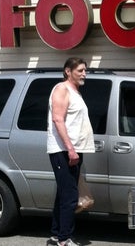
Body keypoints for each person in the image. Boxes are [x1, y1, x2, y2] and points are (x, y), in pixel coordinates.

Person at [46, 57, 95, 246]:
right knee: (70, 197)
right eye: (80, 70)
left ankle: (55, 235)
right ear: (68, 71)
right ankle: (64, 240)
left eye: (85, 70)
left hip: (73, 149)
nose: (84, 74)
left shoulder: (76, 92)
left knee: (63, 194)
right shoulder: (61, 89)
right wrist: (70, 149)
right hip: (63, 150)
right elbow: (58, 120)